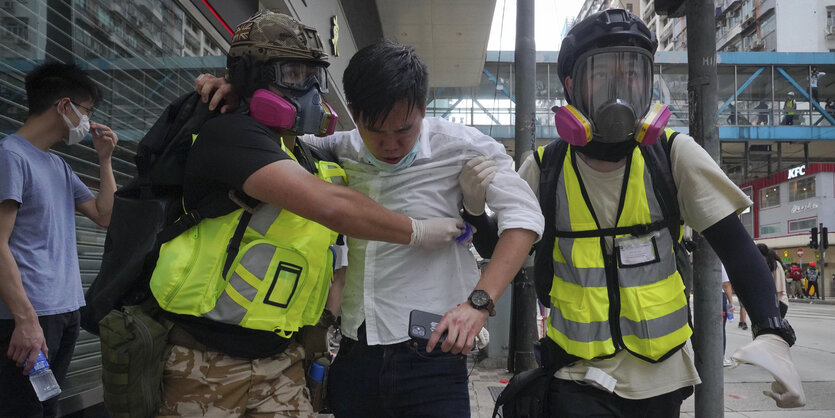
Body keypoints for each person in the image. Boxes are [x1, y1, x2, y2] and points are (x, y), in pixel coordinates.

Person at [474, 9, 805, 415]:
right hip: (575, 375)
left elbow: (735, 247)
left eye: (632, 74)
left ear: (649, 82)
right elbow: (503, 248)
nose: (619, 88)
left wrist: (772, 332)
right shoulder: (545, 169)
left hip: (661, 382)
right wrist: (475, 213)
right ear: (571, 86)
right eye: (602, 75)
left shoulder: (672, 155)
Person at [197, 39, 544, 416]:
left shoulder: (462, 147)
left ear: (422, 110)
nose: (390, 144)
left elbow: (524, 220)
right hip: (354, 353)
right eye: (375, 130)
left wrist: (479, 304)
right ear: (355, 114)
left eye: (404, 130)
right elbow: (275, 136)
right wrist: (243, 98)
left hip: (432, 358)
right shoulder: (338, 146)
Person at [151, 11, 466, 416]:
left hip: (281, 360)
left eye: (313, 75)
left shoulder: (300, 150)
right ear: (251, 77)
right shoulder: (229, 136)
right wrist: (418, 231)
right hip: (206, 359)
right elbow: (333, 206)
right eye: (293, 74)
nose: (310, 90)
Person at [0, 63, 118, 417]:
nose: (88, 120)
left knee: (45, 406)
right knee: (25, 410)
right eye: (87, 111)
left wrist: (105, 160)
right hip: (31, 317)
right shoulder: (10, 157)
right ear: (64, 106)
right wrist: (25, 319)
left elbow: (105, 215)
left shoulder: (57, 166)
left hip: (64, 312)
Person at [758, 244, 789, 317]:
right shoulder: (767, 265)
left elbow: (779, 291)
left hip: (779, 303)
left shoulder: (776, 265)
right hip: (771, 302)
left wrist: (773, 307)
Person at [721, 265, 735, 367]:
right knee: (720, 329)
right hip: (718, 297)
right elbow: (726, 284)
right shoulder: (719, 263)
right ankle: (721, 357)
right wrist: (731, 302)